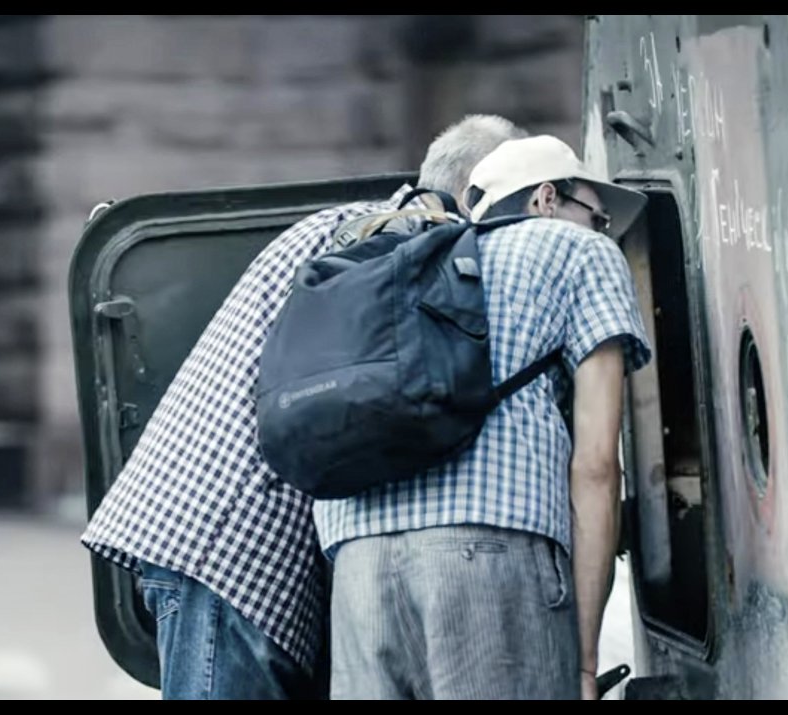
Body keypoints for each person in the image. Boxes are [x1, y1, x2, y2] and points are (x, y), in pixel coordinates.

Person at [80, 115, 529, 699]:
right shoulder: (403, 242)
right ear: (476, 191)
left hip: (214, 537)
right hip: (234, 546)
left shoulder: (351, 226)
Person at [317, 135, 652, 700]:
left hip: (359, 561)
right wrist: (584, 662)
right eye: (597, 217)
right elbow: (596, 466)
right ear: (546, 199)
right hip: (487, 552)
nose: (603, 231)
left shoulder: (415, 261)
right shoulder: (579, 251)